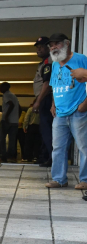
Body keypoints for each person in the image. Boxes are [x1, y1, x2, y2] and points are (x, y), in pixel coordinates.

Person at [47, 33, 87, 189]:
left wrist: (84, 104)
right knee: (58, 147)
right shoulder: (55, 64)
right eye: (51, 45)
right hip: (60, 113)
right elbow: (54, 86)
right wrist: (53, 104)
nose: (53, 47)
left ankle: (85, 180)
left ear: (67, 43)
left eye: (57, 44)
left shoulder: (81, 59)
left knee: (84, 147)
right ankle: (59, 179)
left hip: (79, 111)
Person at [32, 36, 54, 167]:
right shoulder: (45, 62)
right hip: (44, 98)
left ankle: (52, 158)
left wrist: (38, 102)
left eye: (41, 47)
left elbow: (47, 84)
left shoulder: (49, 63)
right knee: (44, 129)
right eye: (37, 48)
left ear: (48, 47)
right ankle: (45, 156)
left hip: (46, 99)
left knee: (48, 130)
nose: (38, 50)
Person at [0, 82, 20, 163]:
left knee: (2, 139)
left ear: (5, 87)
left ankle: (3, 157)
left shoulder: (6, 95)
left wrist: (6, 116)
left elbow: (11, 104)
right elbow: (19, 107)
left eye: (1, 87)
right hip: (14, 121)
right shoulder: (14, 95)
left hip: (6, 121)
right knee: (12, 140)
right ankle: (11, 156)